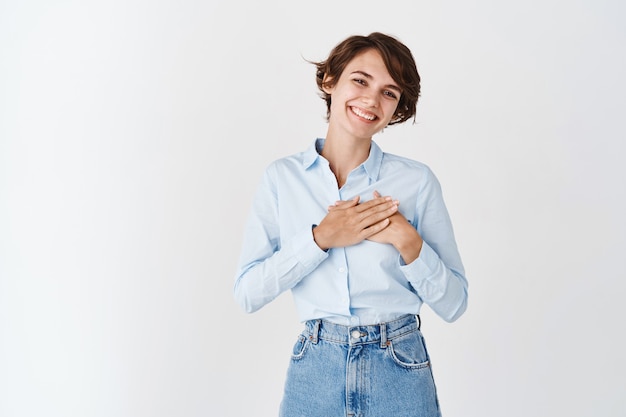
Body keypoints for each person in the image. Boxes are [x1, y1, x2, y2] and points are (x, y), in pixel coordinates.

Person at [234, 32, 468, 417]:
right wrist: (320, 239)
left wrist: (409, 243)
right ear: (330, 81)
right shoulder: (281, 179)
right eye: (360, 80)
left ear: (398, 108)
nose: (372, 100)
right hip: (315, 368)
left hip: (400, 365)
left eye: (390, 93)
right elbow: (247, 293)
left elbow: (455, 303)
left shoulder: (417, 182)